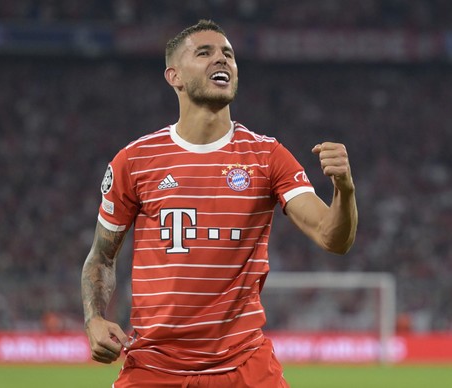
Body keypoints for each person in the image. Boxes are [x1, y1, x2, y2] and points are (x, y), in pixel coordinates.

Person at [81, 19, 357, 388]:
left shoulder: (267, 156)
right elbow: (101, 257)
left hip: (245, 367)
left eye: (228, 53)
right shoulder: (135, 160)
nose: (221, 59)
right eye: (205, 52)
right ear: (174, 76)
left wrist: (345, 189)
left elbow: (332, 238)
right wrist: (94, 318)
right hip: (154, 367)